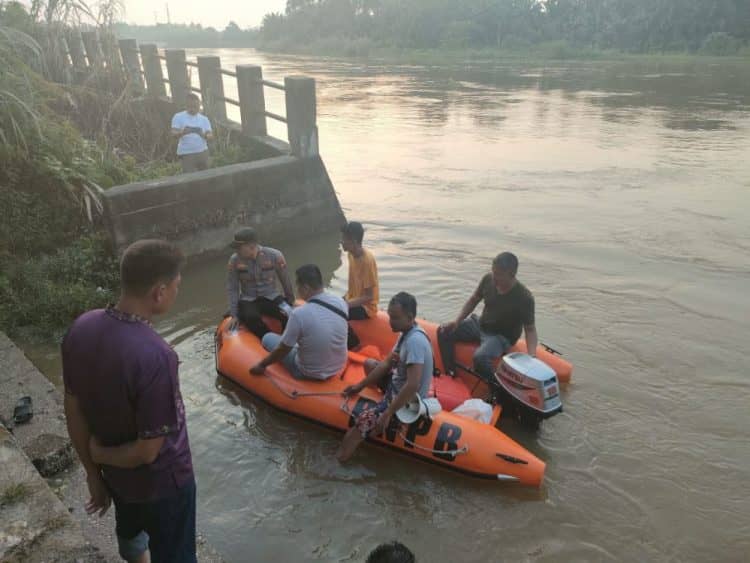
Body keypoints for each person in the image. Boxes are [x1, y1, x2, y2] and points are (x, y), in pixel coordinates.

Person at [62, 240, 195, 563]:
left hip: (118, 480)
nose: (177, 293)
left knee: (132, 537)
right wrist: (99, 453)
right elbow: (148, 450)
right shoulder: (156, 356)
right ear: (159, 292)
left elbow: (74, 409)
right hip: (165, 485)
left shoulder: (82, 328)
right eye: (176, 286)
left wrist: (94, 473)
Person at [337, 292, 433, 462]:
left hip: (406, 402)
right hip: (396, 385)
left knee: (355, 432)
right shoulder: (407, 333)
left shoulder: (414, 342)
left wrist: (388, 413)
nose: (390, 321)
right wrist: (359, 386)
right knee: (369, 364)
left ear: (410, 317)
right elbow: (386, 364)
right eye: (390, 316)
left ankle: (339, 464)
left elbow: (413, 385)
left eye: (395, 318)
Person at [437, 252, 537, 383]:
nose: (494, 278)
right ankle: (451, 375)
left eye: (499, 275)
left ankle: (497, 389)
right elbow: (473, 300)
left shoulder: (524, 297)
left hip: (501, 336)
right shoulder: (488, 279)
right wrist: (457, 321)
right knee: (443, 331)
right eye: (493, 272)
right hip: (481, 324)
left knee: (480, 357)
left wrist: (531, 357)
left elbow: (530, 329)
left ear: (512, 274)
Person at [251, 264, 348, 381]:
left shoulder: (299, 314)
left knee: (267, 337)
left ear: (306, 288)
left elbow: (283, 349)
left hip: (308, 372)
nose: (297, 290)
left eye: (298, 286)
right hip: (338, 366)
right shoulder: (341, 302)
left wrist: (262, 365)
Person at [227, 227, 295, 339]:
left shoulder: (275, 256)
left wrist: (291, 302)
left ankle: (286, 341)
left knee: (288, 315)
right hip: (249, 299)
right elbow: (232, 288)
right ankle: (270, 342)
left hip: (271, 296)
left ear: (252, 246)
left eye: (239, 247)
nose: (236, 251)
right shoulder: (234, 261)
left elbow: (286, 281)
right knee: (251, 318)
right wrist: (234, 314)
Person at [341, 221, 379, 320]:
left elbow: (369, 296)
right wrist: (344, 300)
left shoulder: (367, 261)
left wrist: (346, 304)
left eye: (344, 239)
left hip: (366, 307)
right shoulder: (351, 254)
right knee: (331, 306)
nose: (342, 242)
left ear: (354, 241)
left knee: (338, 313)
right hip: (352, 298)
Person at [171, 93, 213, 173]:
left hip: (203, 152)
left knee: (206, 177)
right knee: (189, 179)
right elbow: (173, 134)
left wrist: (203, 135)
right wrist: (183, 133)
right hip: (186, 153)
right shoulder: (178, 117)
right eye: (191, 106)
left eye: (196, 107)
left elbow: (210, 136)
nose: (193, 109)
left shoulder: (204, 119)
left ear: (199, 105)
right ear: (186, 105)